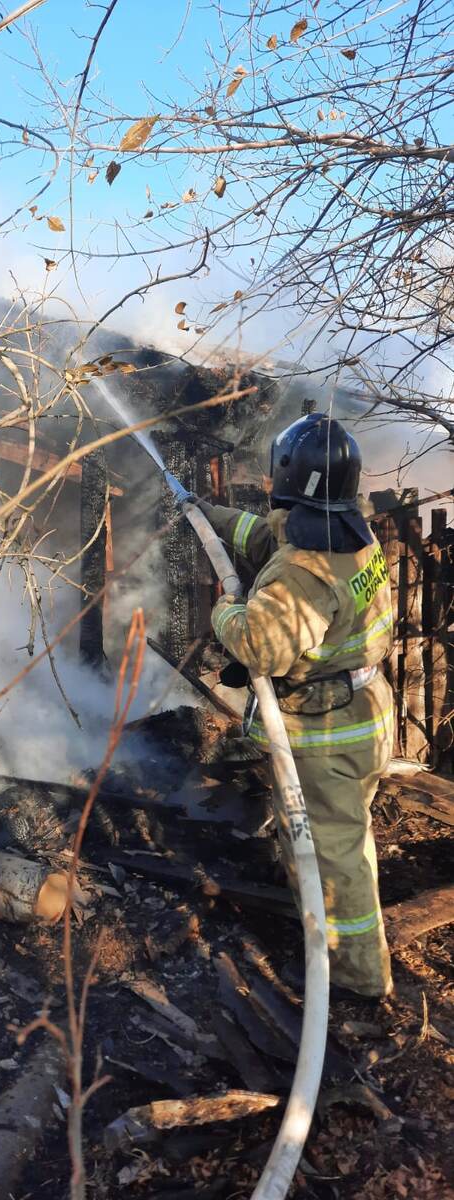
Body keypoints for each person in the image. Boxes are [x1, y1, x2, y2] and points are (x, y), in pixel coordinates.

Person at [197, 413, 394, 1000]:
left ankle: (357, 980)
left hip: (326, 732)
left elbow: (261, 647)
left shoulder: (301, 573)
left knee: (335, 857)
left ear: (286, 473)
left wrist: (226, 611)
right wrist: (206, 515)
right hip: (363, 715)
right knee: (342, 838)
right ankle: (322, 927)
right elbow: (267, 537)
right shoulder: (350, 534)